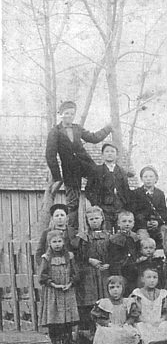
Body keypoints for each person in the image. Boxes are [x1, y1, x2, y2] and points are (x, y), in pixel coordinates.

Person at [45, 100, 113, 232]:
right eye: (67, 113)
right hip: (70, 170)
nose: (69, 116)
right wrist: (57, 176)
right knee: (73, 203)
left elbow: (93, 138)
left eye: (72, 114)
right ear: (61, 114)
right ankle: (73, 233)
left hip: (86, 164)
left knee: (96, 190)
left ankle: (98, 228)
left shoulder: (77, 128)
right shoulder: (55, 132)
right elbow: (50, 155)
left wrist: (107, 128)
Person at [39, 229, 81, 344]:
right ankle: (55, 343)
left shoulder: (70, 256)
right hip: (53, 292)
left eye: (59, 241)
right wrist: (53, 285)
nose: (57, 244)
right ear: (49, 243)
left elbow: (76, 273)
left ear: (63, 242)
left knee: (67, 318)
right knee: (54, 318)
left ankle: (68, 341)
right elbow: (42, 276)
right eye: (54, 242)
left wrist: (70, 283)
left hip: (67, 291)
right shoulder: (46, 258)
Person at [77, 206, 111, 340]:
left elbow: (113, 253)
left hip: (104, 272)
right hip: (89, 273)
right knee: (91, 301)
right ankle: (91, 332)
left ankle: (106, 330)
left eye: (97, 218)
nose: (94, 221)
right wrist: (90, 260)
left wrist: (109, 263)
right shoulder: (84, 237)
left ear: (102, 218)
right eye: (91, 219)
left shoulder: (108, 235)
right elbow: (79, 255)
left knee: (106, 299)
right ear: (87, 221)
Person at [90, 275, 140, 344]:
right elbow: (97, 318)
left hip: (123, 325)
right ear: (107, 289)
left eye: (118, 287)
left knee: (129, 332)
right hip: (110, 327)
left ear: (123, 288)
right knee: (111, 334)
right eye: (112, 287)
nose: (115, 290)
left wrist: (127, 323)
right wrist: (107, 323)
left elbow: (134, 315)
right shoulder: (104, 303)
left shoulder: (127, 302)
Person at [86, 142, 132, 232]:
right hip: (103, 208)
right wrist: (96, 204)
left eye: (112, 151)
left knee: (120, 233)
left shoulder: (122, 172)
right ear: (102, 155)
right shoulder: (96, 170)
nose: (110, 153)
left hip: (119, 207)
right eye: (107, 151)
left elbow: (126, 190)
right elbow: (88, 189)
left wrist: (125, 204)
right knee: (106, 232)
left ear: (117, 155)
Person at [130, 166, 167, 249]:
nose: (148, 179)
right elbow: (135, 212)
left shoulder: (160, 193)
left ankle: (166, 255)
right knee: (144, 238)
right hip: (142, 225)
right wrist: (145, 223)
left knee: (165, 233)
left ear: (156, 178)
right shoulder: (136, 193)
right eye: (145, 177)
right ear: (141, 179)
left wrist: (157, 222)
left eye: (151, 176)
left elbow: (163, 211)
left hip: (158, 225)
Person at [105, 211, 140, 295]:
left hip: (133, 268)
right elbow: (112, 256)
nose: (127, 224)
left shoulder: (135, 237)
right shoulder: (114, 239)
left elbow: (137, 251)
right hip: (120, 269)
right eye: (124, 221)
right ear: (118, 223)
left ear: (133, 223)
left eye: (130, 221)